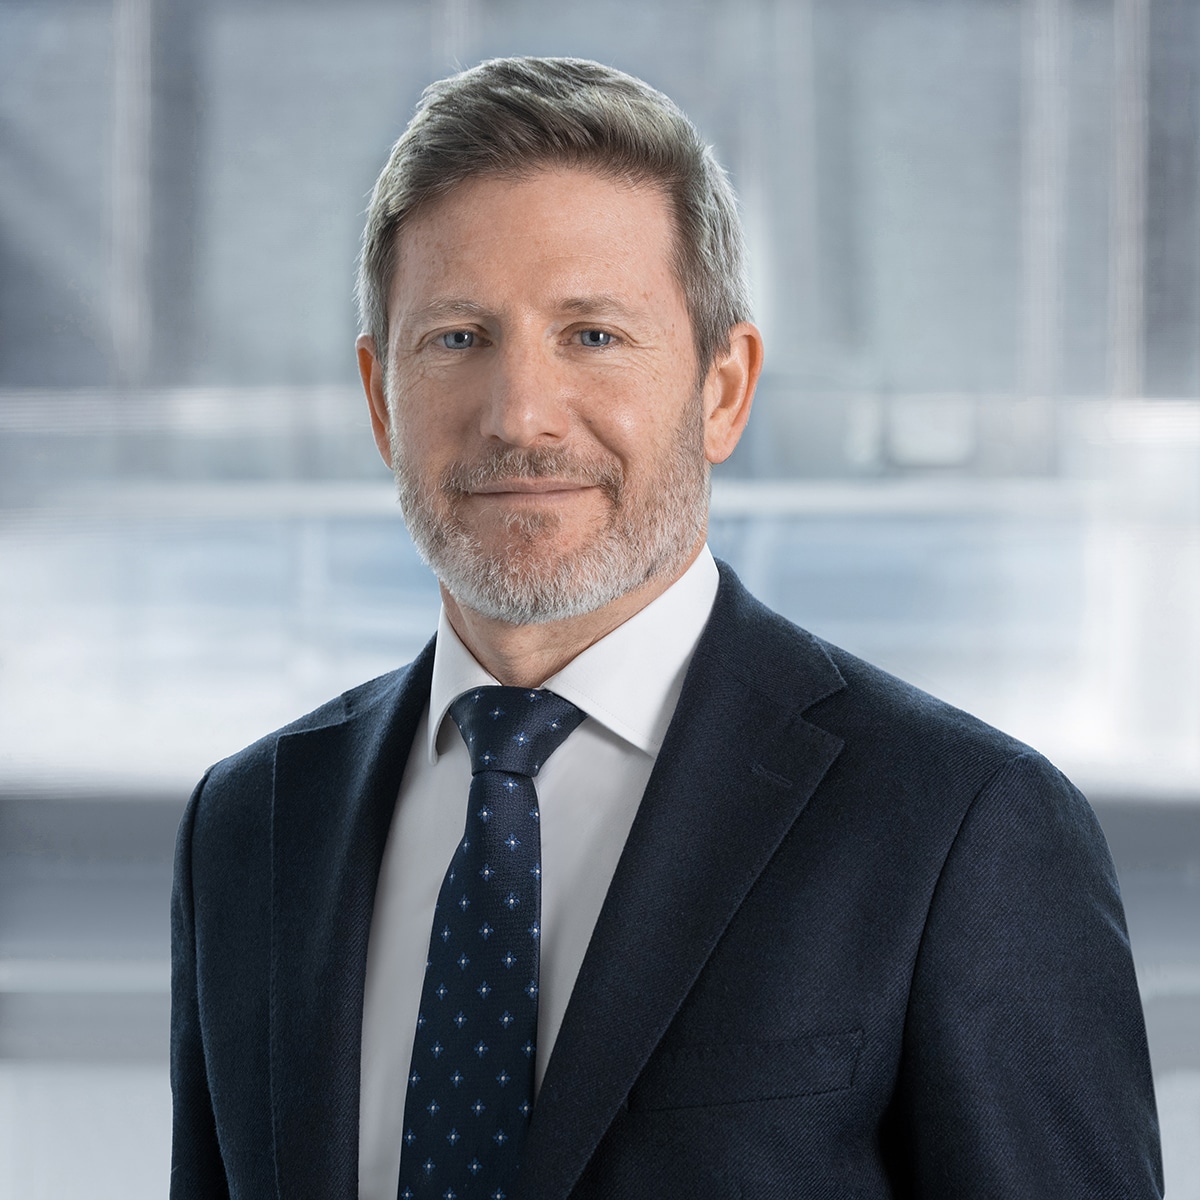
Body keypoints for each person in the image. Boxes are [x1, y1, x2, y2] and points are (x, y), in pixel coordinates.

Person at [170, 57, 1163, 1200]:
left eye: (592, 335)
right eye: (457, 338)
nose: (521, 416)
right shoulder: (250, 827)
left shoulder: (960, 828)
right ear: (380, 399)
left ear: (724, 389)